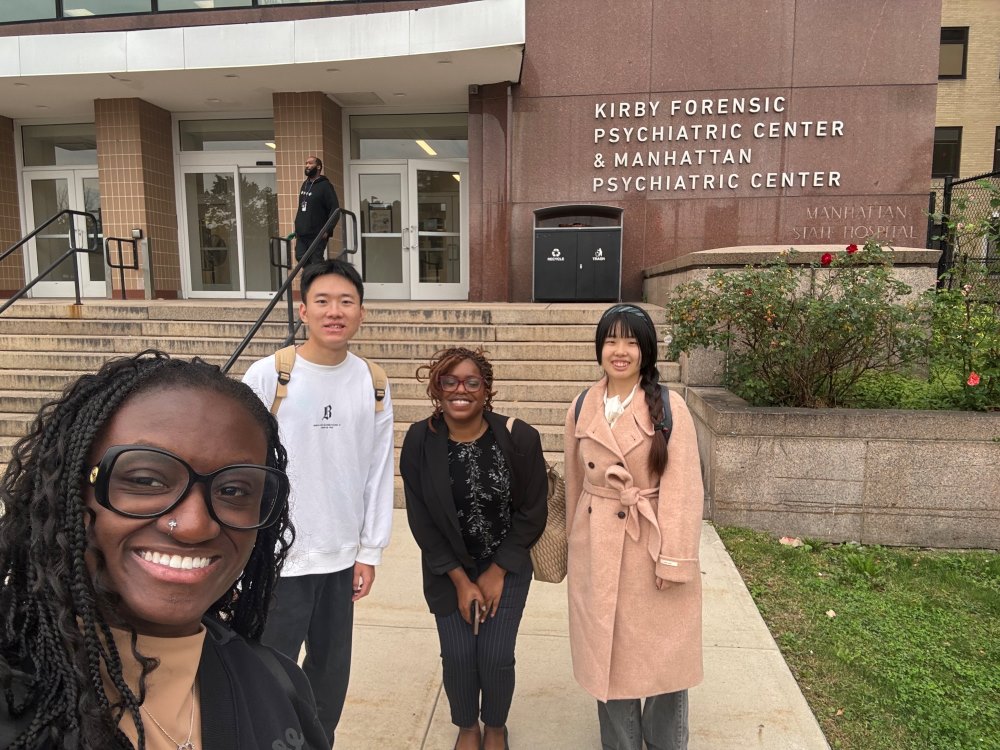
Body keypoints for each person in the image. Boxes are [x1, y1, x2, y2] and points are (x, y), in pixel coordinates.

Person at [0, 350, 329, 750]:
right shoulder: (13, 698)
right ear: (69, 492)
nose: (193, 525)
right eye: (146, 480)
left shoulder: (278, 686)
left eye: (233, 490)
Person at [242, 258, 394, 746]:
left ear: (361, 312)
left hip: (340, 558)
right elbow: (240, 467)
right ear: (303, 310)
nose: (335, 312)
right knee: (269, 671)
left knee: (330, 677)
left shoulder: (372, 381)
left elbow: (376, 470)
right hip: (277, 556)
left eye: (346, 302)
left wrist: (370, 551)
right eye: (323, 301)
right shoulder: (269, 374)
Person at [563, 304, 704, 750]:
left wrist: (676, 558)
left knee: (665, 654)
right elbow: (573, 480)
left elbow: (684, 488)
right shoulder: (583, 404)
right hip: (597, 543)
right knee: (608, 652)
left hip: (652, 542)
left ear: (647, 351)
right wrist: (573, 543)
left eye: (631, 342)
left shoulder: (670, 406)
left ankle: (666, 743)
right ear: (599, 348)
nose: (619, 351)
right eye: (610, 341)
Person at [400, 347, 547, 750]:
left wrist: (497, 571)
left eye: (471, 382)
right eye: (449, 381)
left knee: (496, 656)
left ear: (486, 390)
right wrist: (461, 580)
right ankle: (467, 725)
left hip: (507, 565)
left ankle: (495, 725)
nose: (459, 390)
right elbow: (422, 520)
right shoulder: (418, 440)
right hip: (447, 568)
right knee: (459, 656)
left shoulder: (519, 437)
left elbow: (534, 511)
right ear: (437, 388)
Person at [294, 155, 340, 265]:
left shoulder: (325, 186)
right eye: (306, 163)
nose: (307, 166)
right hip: (302, 232)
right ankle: (313, 278)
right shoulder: (305, 185)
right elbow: (301, 208)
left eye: (310, 163)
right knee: (300, 257)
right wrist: (297, 227)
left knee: (316, 261)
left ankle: (321, 279)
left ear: (318, 167)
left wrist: (327, 230)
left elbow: (335, 209)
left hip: (317, 233)